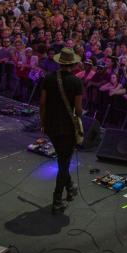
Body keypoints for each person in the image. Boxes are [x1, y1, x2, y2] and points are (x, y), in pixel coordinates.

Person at [40, 47, 84, 214]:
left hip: (51, 125)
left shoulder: (49, 78)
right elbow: (78, 110)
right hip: (66, 128)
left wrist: (42, 122)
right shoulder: (76, 82)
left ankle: (71, 186)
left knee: (62, 159)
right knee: (64, 163)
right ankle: (57, 200)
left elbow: (42, 102)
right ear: (73, 63)